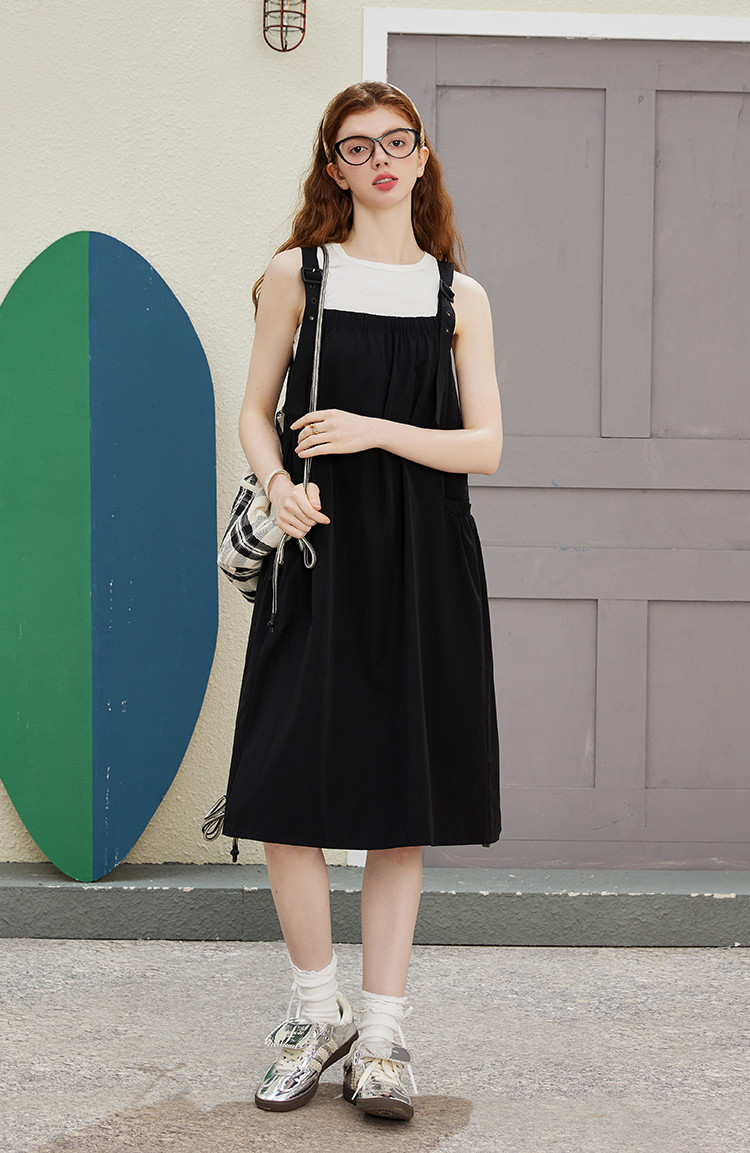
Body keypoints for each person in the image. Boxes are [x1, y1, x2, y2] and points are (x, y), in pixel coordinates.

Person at [222, 80, 502, 1122]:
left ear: (422, 157)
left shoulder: (459, 297)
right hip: (320, 555)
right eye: (357, 146)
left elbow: (486, 446)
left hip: (424, 561)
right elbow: (256, 411)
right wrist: (278, 486)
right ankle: (316, 1011)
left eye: (397, 142)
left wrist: (374, 430)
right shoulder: (296, 274)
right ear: (334, 167)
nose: (380, 159)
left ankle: (381, 1034)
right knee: (281, 792)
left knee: (400, 803)